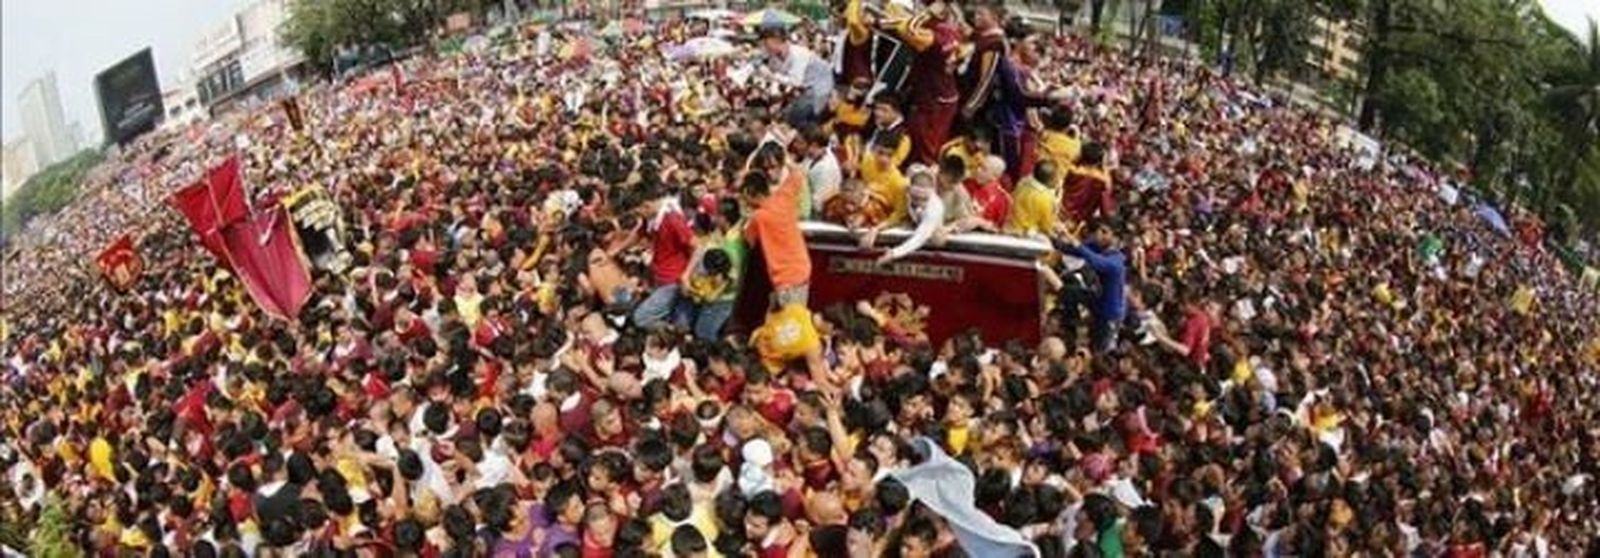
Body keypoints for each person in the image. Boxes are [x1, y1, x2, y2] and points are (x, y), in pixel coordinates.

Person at [1052, 221, 1128, 353]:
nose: (1099, 234)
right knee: (1068, 292)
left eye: (1104, 232)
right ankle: (1069, 324)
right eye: (1099, 230)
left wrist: (1068, 235)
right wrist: (1051, 238)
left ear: (1116, 239)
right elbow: (1070, 249)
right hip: (1098, 299)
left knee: (1098, 349)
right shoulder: (1098, 247)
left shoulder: (1117, 261)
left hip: (1109, 314)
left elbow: (1096, 262)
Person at [634, 193, 696, 331]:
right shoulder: (653, 218)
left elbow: (697, 246)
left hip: (673, 279)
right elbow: (638, 234)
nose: (640, 217)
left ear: (646, 206)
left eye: (639, 212)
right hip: (661, 276)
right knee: (678, 321)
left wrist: (686, 275)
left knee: (641, 318)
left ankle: (674, 334)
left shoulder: (672, 219)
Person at [760, 28, 836, 126]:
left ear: (776, 41)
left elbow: (795, 81)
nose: (765, 48)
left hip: (820, 86)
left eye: (766, 44)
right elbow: (782, 76)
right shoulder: (774, 57)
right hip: (804, 88)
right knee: (786, 114)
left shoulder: (799, 53)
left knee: (797, 116)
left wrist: (771, 76)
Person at [1061, 141, 1113, 224]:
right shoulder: (1102, 180)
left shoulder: (1072, 170)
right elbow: (1106, 208)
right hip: (1077, 222)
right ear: (1099, 161)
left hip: (1060, 211)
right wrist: (1105, 168)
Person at [1006, 159, 1060, 236]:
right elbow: (1046, 227)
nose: (1058, 180)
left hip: (1012, 227)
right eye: (1056, 176)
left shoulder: (1022, 185)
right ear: (1050, 179)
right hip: (1028, 235)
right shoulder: (1046, 198)